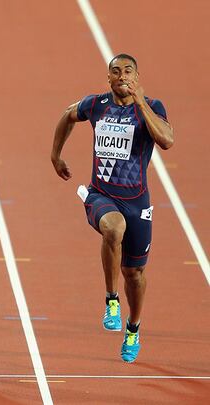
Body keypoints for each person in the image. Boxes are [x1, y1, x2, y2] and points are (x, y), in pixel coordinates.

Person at [51, 54, 174, 363]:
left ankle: (133, 327)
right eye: (115, 71)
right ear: (108, 78)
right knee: (113, 227)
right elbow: (67, 115)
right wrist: (56, 156)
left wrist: (141, 102)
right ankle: (111, 300)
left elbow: (167, 140)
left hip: (137, 203)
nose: (121, 76)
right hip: (101, 196)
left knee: (135, 273)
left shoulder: (153, 107)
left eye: (128, 71)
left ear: (137, 75)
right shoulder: (97, 105)